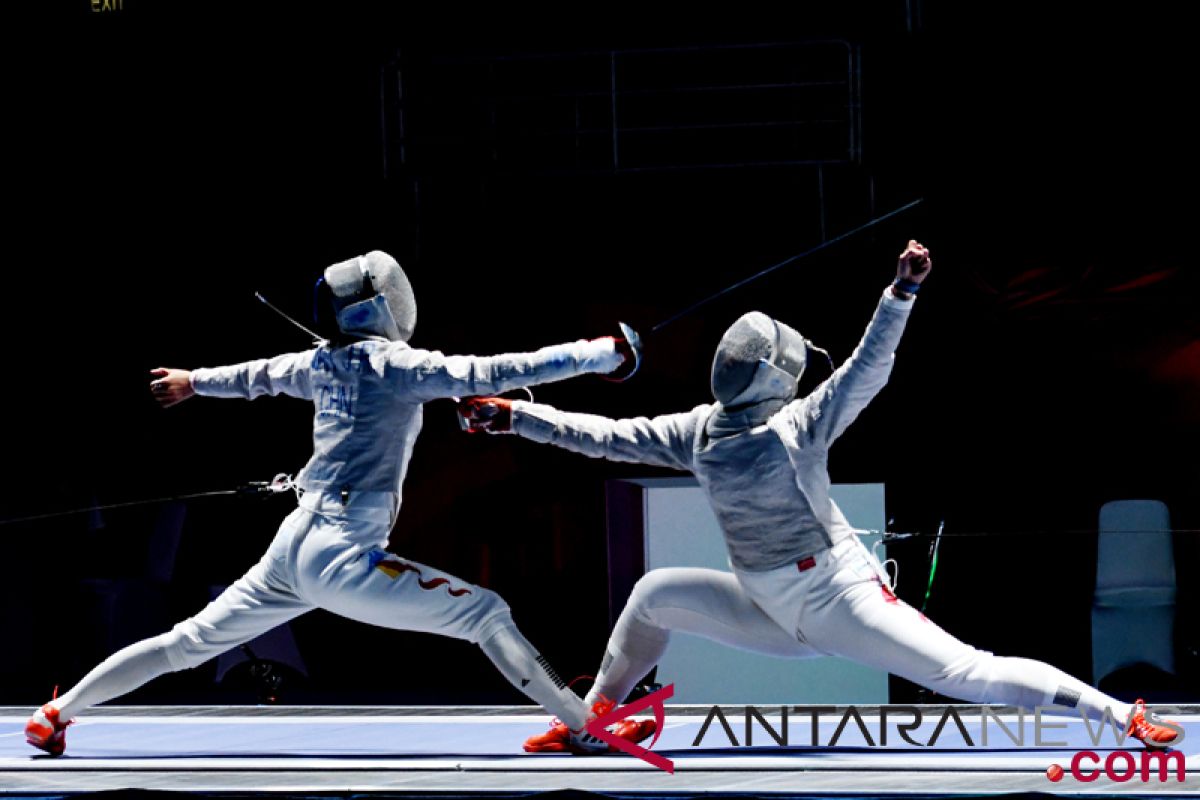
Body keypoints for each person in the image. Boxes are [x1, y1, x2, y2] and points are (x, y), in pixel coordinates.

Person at [458, 240, 1179, 752]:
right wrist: (519, 416)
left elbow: (867, 370)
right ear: (775, 376)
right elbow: (605, 435)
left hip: (841, 602)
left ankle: (1121, 716)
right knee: (652, 594)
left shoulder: (753, 428)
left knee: (967, 670)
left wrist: (899, 296)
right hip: (769, 607)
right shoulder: (733, 430)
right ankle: (593, 721)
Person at [26, 250, 650, 757]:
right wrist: (600, 354)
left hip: (292, 546)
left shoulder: (319, 361)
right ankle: (584, 726)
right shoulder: (402, 365)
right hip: (343, 551)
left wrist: (193, 382)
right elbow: (497, 369)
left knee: (185, 642)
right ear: (387, 305)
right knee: (485, 613)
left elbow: (253, 376)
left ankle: (57, 713)